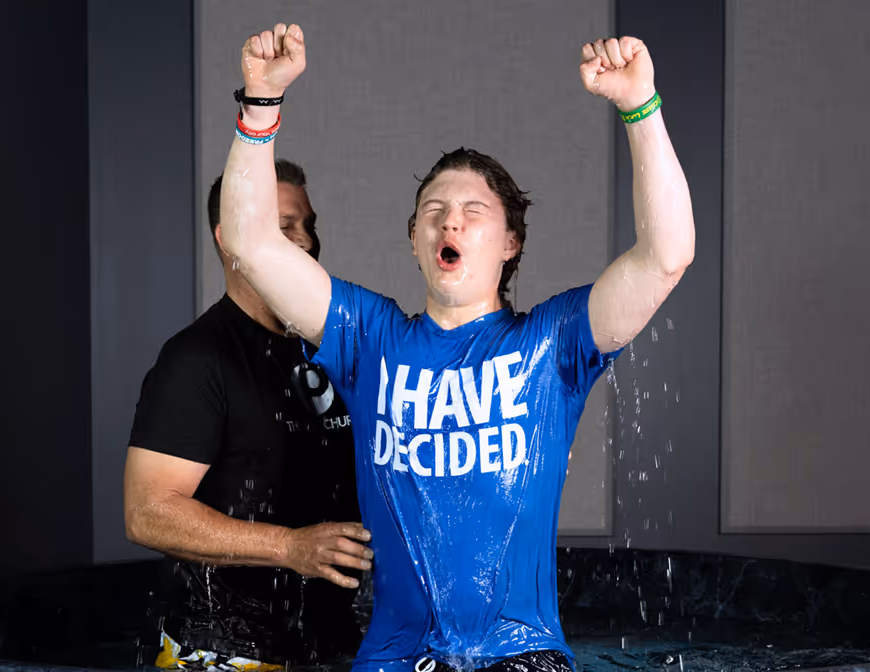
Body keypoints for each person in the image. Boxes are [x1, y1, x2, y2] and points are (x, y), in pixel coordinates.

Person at [218, 23, 695, 672]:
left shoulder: (552, 344)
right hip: (395, 661)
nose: (450, 219)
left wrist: (640, 106)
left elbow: (666, 256)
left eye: (474, 210)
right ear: (415, 238)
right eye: (434, 209)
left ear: (510, 242)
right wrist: (261, 100)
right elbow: (249, 243)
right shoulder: (368, 339)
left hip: (523, 659)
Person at [123, 160, 373, 670]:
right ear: (228, 239)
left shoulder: (336, 348)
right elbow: (147, 514)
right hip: (222, 653)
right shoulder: (196, 360)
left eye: (308, 223)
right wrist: (289, 547)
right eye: (283, 227)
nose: (304, 241)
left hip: (335, 648)